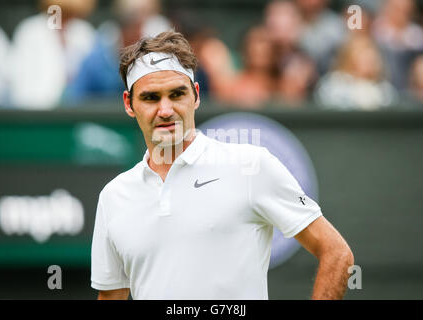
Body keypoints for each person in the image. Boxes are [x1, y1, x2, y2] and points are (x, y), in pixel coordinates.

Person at [90, 31, 354, 300]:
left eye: (176, 94)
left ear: (195, 95)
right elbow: (111, 296)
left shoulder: (251, 166)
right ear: (128, 103)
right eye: (151, 98)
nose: (165, 109)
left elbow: (337, 252)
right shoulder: (114, 196)